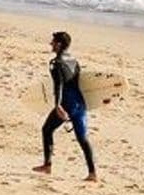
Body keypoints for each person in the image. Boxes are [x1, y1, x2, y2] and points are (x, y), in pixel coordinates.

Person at [32, 31, 97, 182]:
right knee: (82, 138)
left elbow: (58, 86)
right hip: (80, 104)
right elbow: (79, 82)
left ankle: (47, 165)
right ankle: (92, 173)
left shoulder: (56, 63)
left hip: (67, 103)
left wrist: (58, 106)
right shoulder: (74, 60)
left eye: (53, 42)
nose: (51, 44)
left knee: (47, 130)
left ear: (59, 44)